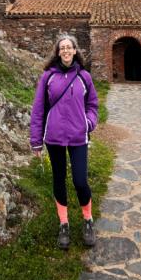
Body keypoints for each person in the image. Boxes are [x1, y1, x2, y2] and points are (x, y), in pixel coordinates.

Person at [29, 34, 99, 250]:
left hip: (78, 136)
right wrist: (36, 141)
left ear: (75, 51)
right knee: (59, 180)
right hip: (54, 138)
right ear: (58, 52)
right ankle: (64, 224)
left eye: (70, 47)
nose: (66, 51)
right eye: (63, 48)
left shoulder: (84, 77)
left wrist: (88, 123)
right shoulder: (48, 77)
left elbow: (93, 105)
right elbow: (38, 109)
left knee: (80, 181)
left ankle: (87, 220)